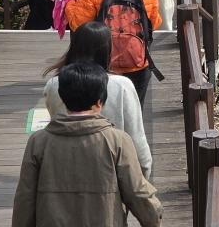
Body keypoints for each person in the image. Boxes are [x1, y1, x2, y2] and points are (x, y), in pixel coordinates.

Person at [12, 62, 160, 227]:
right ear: (99, 101)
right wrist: (153, 217)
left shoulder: (39, 141)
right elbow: (137, 192)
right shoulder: (117, 140)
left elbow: (25, 196)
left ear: (63, 97)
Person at [42, 22, 151, 177]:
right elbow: (136, 136)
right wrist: (143, 173)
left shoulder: (54, 85)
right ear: (107, 49)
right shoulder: (122, 86)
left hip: (64, 168)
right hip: (111, 169)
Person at [66, 0, 163, 103]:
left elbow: (79, 25)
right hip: (138, 63)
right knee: (133, 114)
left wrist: (69, 5)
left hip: (101, 64)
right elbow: (154, 23)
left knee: (102, 111)